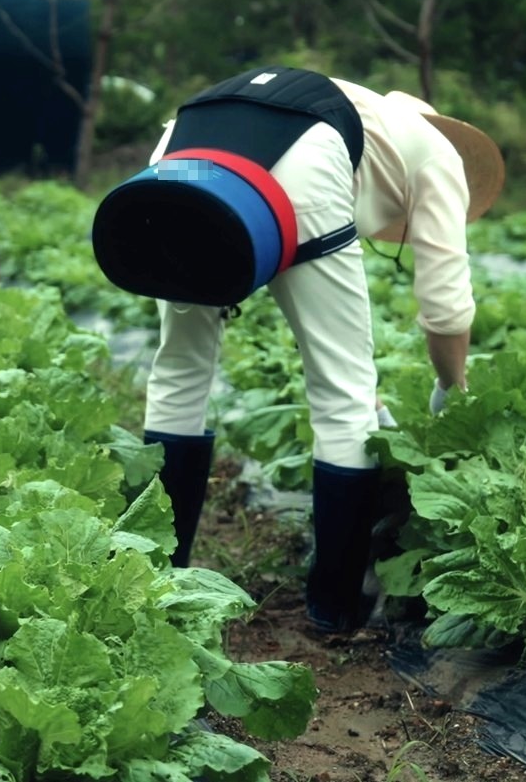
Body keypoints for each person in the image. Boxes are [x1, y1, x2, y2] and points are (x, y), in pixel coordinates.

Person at [91, 66, 504, 632]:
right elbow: (447, 305)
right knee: (344, 395)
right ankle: (336, 607)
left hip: (183, 144)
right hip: (305, 159)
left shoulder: (369, 115)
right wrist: (452, 388)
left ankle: (148, 580)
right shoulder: (438, 151)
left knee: (180, 373)